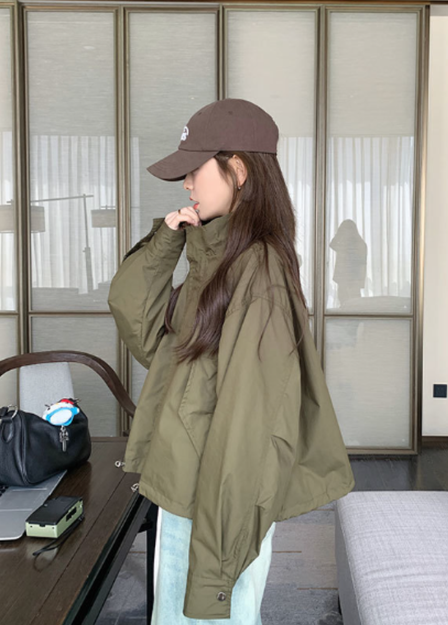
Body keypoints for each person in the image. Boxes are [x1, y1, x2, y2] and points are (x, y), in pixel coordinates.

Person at [107, 98, 354, 623]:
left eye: (193, 171)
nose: (186, 185)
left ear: (237, 170)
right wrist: (167, 241)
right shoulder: (214, 260)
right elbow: (145, 332)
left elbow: (250, 435)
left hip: (214, 506)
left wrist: (215, 572)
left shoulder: (256, 272)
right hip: (188, 487)